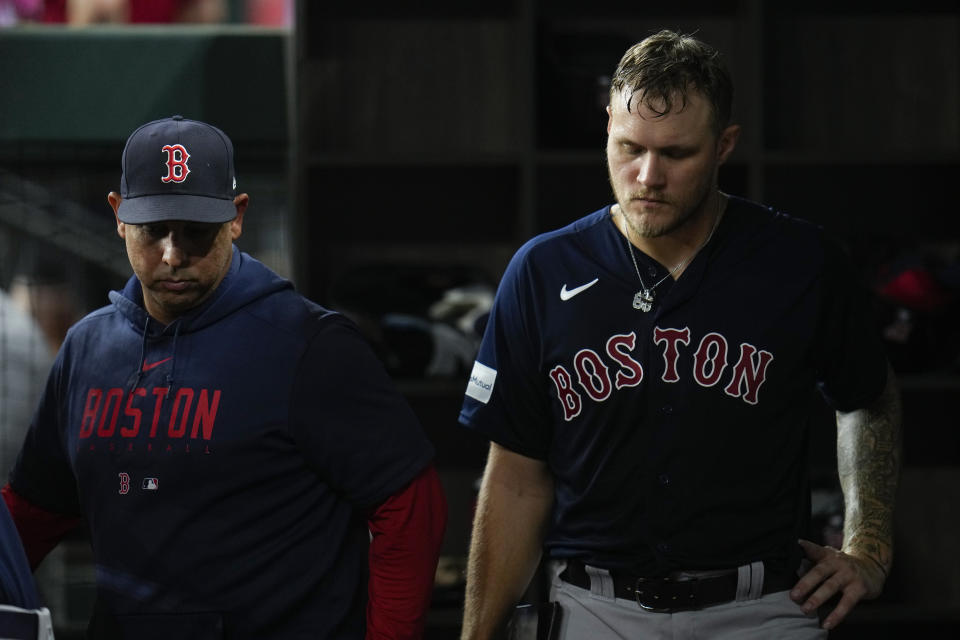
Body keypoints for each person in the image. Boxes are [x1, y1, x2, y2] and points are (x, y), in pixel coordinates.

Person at [458, 30, 900, 640]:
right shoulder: (542, 270)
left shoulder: (802, 260)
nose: (647, 175)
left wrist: (869, 549)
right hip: (592, 608)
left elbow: (868, 396)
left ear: (724, 146)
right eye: (628, 147)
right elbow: (514, 478)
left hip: (764, 607)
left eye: (677, 154)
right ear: (607, 124)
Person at [2, 115, 447, 639]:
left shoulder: (309, 345)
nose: (172, 255)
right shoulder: (87, 347)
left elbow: (409, 506)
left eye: (195, 232)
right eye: (153, 230)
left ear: (236, 218)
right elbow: (34, 510)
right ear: (118, 216)